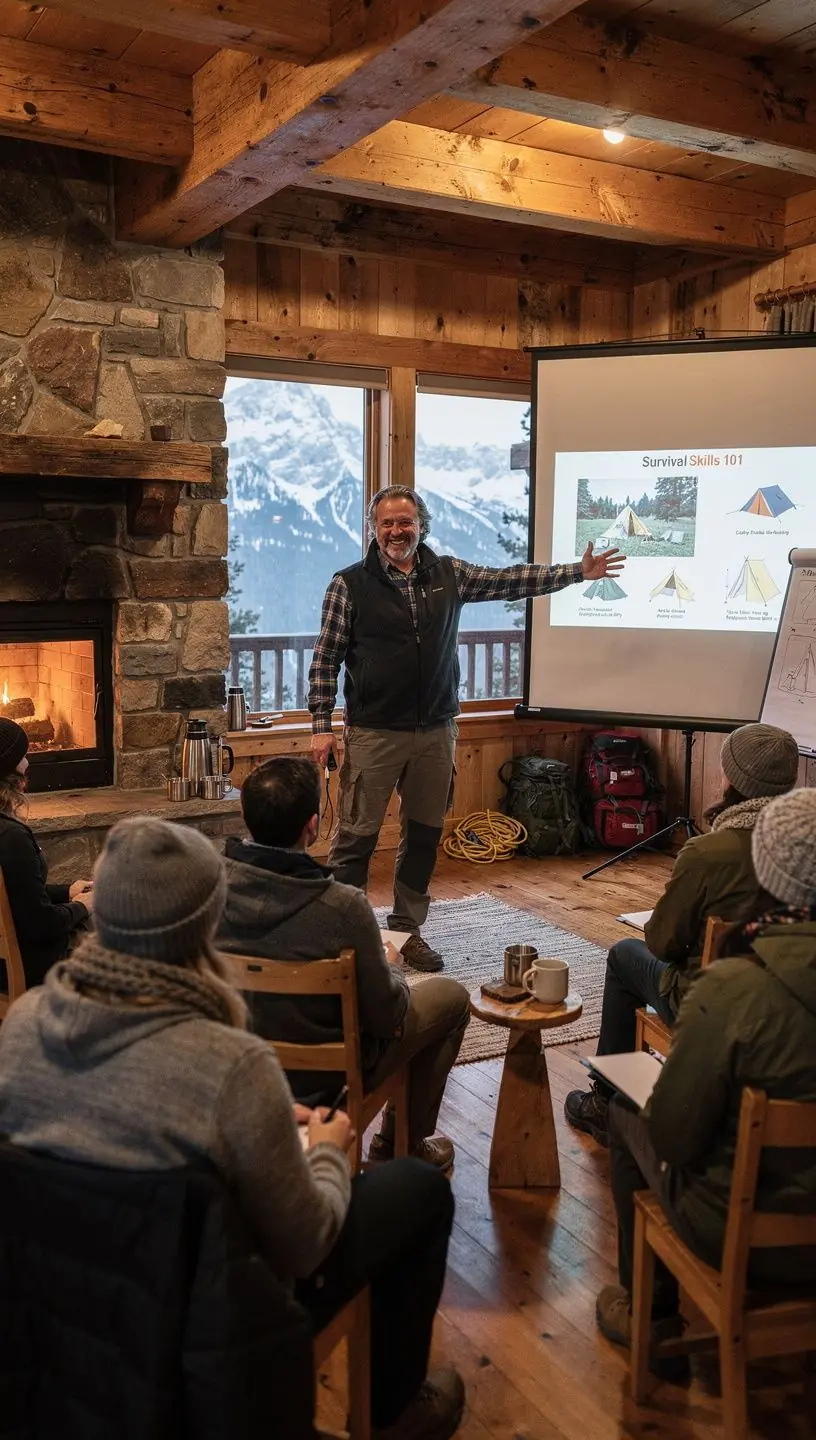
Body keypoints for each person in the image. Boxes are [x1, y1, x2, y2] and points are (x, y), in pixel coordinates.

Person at [0, 817, 465, 1440]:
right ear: (204, 927)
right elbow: (304, 1245)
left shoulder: (23, 1024)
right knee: (420, 1190)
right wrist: (327, 1152)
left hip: (60, 1302)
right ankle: (397, 1411)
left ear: (98, 910)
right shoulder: (231, 1063)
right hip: (202, 1322)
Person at [309, 483, 625, 972]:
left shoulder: (450, 574)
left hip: (437, 730)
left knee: (424, 836)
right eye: (387, 522)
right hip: (373, 733)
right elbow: (325, 658)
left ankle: (406, 931)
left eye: (406, 521)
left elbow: (512, 580)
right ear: (373, 528)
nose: (397, 531)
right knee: (356, 839)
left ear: (421, 526)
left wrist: (576, 574)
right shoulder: (347, 584)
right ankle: (344, 937)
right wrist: (320, 724)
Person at [596, 786, 816, 1349]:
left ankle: (652, 1317)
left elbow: (675, 1134)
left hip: (743, 1234)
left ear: (767, 872)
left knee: (626, 1110)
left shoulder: (733, 990)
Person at [218, 756, 470, 1172]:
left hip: (238, 1072)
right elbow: (387, 1015)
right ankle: (398, 1145)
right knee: (453, 998)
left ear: (246, 817)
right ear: (313, 826)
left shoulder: (208, 887)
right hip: (325, 1084)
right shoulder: (343, 906)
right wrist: (391, 967)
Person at [565, 722, 799, 1146]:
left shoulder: (708, 853)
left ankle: (604, 1102)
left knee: (624, 955)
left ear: (732, 780)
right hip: (790, 1008)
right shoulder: (802, 851)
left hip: (706, 1001)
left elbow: (663, 943)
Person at [0, 716, 93, 987]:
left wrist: (67, 892)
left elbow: (14, 894)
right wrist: (82, 907)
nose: (28, 763)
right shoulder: (11, 837)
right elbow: (41, 924)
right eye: (22, 756)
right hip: (29, 967)